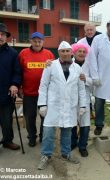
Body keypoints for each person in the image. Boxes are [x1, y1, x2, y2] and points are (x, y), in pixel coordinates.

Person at [37, 41, 87, 170]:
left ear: (71, 52)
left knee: (67, 132)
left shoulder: (77, 68)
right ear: (58, 52)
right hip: (53, 105)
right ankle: (46, 155)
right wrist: (42, 104)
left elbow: (81, 89)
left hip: (70, 106)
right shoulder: (50, 66)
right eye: (62, 51)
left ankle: (66, 153)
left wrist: (82, 106)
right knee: (48, 132)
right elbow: (43, 86)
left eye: (67, 51)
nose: (65, 53)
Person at [18, 32, 55, 147]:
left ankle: (43, 136)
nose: (37, 43)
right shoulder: (23, 53)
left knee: (45, 116)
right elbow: (18, 72)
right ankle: (32, 137)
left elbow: (54, 73)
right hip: (29, 93)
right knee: (30, 117)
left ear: (43, 42)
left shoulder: (49, 54)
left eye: (39, 41)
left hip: (45, 93)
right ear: (31, 41)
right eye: (35, 41)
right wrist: (19, 87)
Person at [0, 23, 21, 150]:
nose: (0, 37)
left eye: (2, 34)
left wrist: (14, 84)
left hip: (6, 93)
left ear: (6, 37)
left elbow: (17, 72)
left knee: (7, 121)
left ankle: (7, 141)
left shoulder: (13, 53)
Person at [70, 43, 92, 157]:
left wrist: (86, 79)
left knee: (85, 124)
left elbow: (95, 81)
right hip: (72, 98)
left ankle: (82, 146)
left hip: (85, 98)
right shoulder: (69, 64)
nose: (82, 53)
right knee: (73, 122)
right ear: (74, 52)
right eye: (80, 51)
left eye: (84, 51)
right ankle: (73, 142)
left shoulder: (89, 65)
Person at [78, 23, 101, 119]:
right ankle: (89, 113)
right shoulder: (80, 42)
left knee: (98, 96)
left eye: (91, 30)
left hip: (98, 71)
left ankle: (97, 115)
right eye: (87, 30)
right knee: (86, 95)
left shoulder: (100, 40)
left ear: (95, 30)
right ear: (85, 31)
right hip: (85, 71)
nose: (90, 31)